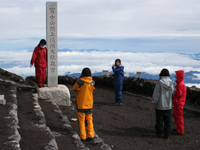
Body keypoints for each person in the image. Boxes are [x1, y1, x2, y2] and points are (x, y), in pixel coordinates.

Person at [152, 68, 175, 139]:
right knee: (167, 120)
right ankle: (167, 134)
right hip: (168, 105)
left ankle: (159, 132)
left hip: (160, 105)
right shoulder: (171, 83)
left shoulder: (159, 82)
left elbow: (156, 94)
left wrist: (154, 103)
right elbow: (173, 92)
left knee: (159, 120)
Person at [73, 68, 95, 142]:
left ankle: (83, 136)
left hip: (81, 104)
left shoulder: (80, 82)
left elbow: (75, 88)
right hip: (89, 103)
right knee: (89, 119)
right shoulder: (92, 82)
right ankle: (91, 135)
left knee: (81, 120)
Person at [172, 70, 187, 135]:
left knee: (178, 116)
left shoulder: (180, 84)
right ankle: (179, 128)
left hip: (179, 103)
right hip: (179, 102)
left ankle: (180, 130)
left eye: (176, 74)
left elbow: (179, 94)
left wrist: (174, 91)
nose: (175, 75)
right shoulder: (181, 83)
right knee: (178, 116)